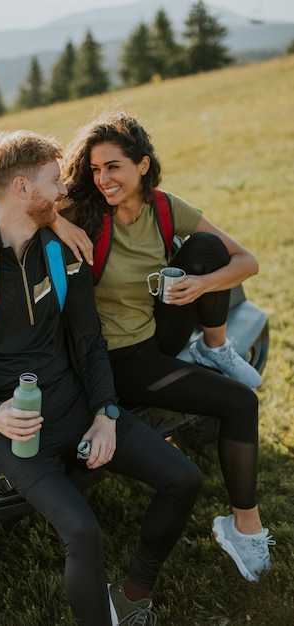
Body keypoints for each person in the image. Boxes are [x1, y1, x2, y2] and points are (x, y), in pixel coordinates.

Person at [0, 129, 202, 626]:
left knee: (182, 478)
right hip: (11, 431)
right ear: (22, 189)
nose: (63, 192)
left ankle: (133, 594)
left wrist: (105, 414)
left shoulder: (61, 251)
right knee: (83, 532)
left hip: (75, 405)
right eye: (54, 181)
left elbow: (89, 344)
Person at [48, 110, 275, 583]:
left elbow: (246, 261)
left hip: (157, 334)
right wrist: (56, 218)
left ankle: (214, 350)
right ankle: (244, 529)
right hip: (115, 360)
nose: (103, 178)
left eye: (114, 167)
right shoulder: (85, 212)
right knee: (239, 403)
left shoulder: (166, 207)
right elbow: (3, 206)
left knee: (208, 251)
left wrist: (201, 284)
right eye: (95, 169)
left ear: (143, 165)